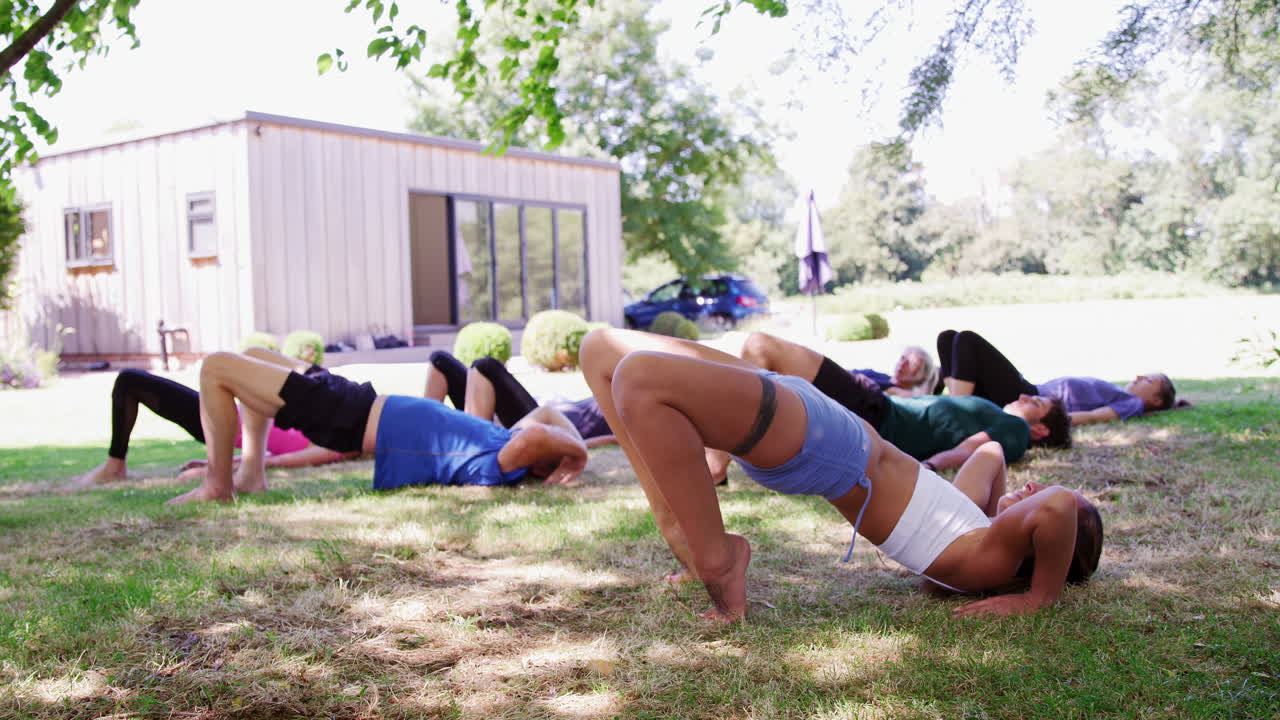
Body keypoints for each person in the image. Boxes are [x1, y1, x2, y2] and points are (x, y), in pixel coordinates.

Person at [579, 328, 1103, 621]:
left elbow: (1055, 506)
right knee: (600, 349)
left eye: (1054, 503)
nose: (1040, 492)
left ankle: (717, 558)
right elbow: (989, 456)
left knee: (638, 379)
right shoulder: (981, 532)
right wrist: (996, 508)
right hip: (822, 421)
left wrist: (1040, 597)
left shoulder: (993, 557)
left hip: (820, 444)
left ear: (1047, 547)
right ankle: (684, 540)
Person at [166, 348, 589, 505]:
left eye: (543, 455)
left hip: (346, 418)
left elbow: (537, 434)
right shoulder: (505, 439)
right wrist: (569, 451)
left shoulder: (497, 464)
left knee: (217, 367)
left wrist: (577, 452)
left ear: (533, 465)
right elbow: (546, 415)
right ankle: (251, 473)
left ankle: (217, 486)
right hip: (357, 400)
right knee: (255, 354)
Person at [738, 331, 1070, 470]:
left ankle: (719, 461)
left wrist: (930, 467)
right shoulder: (999, 413)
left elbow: (976, 448)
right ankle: (722, 454)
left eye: (1036, 403)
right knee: (752, 359)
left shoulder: (1015, 429)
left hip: (876, 415)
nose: (1026, 395)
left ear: (1039, 431)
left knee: (761, 346)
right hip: (874, 406)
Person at [70, 347, 353, 488]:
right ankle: (114, 465)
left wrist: (216, 467)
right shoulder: (341, 413)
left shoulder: (339, 441)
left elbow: (277, 460)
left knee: (131, 380)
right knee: (130, 381)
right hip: (231, 402)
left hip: (222, 422)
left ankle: (113, 466)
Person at [936, 329, 1187, 426]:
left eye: (1148, 381)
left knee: (967, 339)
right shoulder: (1121, 394)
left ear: (1155, 400)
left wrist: (1041, 420)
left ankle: (958, 412)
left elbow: (1094, 416)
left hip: (1028, 398)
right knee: (948, 338)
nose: (1139, 376)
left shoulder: (1132, 403)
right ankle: (958, 406)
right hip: (1025, 393)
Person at [424, 350, 618, 448]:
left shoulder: (631, 413)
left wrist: (579, 445)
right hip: (538, 411)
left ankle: (476, 452)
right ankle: (424, 442)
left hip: (544, 424)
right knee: (440, 360)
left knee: (485, 366)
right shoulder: (616, 391)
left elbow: (614, 439)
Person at [850, 344, 938, 398]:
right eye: (902, 358)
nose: (902, 364)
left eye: (911, 364)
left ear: (923, 377)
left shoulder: (905, 397)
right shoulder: (876, 375)